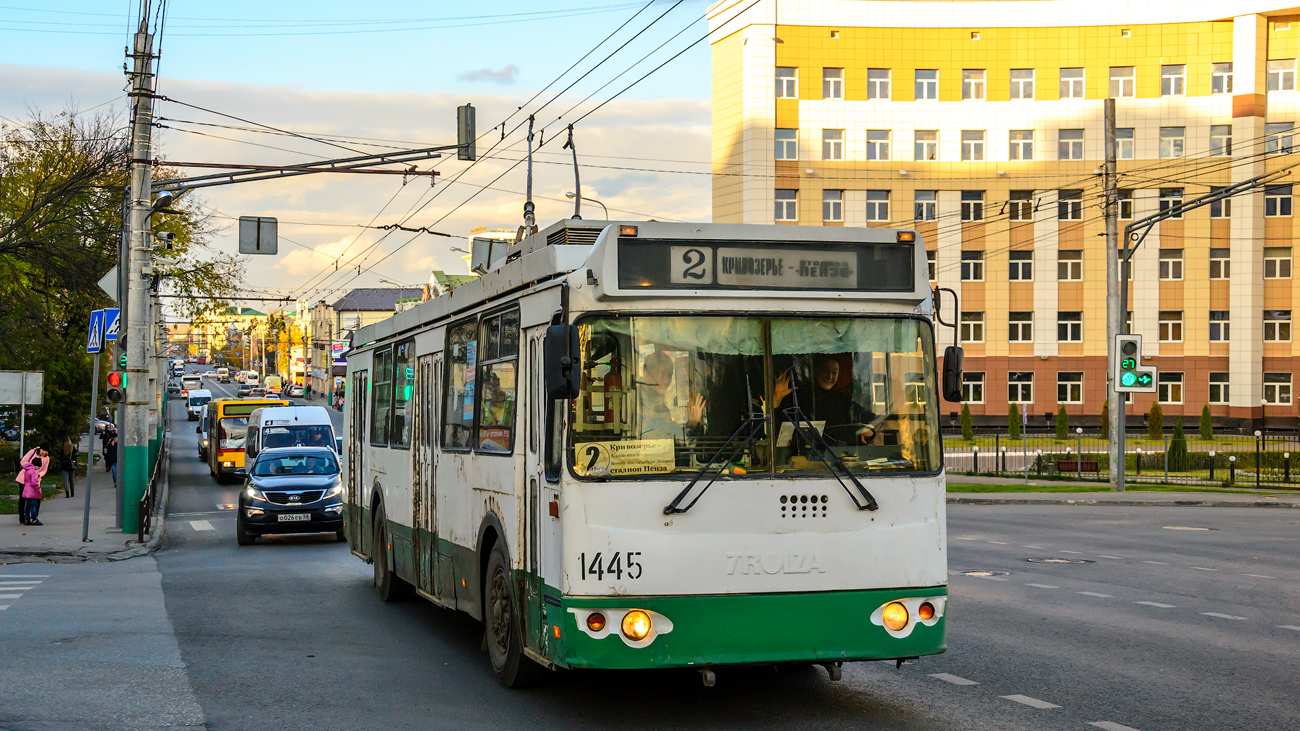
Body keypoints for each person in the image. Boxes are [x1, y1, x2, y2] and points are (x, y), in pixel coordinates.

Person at [776, 355, 878, 444]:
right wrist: (776, 398)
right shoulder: (799, 396)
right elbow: (779, 425)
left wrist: (868, 430)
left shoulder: (841, 400)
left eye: (834, 372)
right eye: (825, 371)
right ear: (816, 371)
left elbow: (871, 419)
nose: (830, 377)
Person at [638, 351, 705, 440]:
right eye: (661, 373)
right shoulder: (636, 402)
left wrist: (692, 423)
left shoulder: (661, 408)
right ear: (646, 373)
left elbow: (676, 438)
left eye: (669, 375)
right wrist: (692, 424)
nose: (666, 380)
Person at [19, 448, 49, 526]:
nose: (44, 452)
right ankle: (32, 518)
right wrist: (38, 490)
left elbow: (44, 470)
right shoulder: (33, 452)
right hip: (31, 485)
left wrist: (39, 474)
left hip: (29, 484)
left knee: (29, 503)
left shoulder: (46, 458)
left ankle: (27, 518)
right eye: (43, 450)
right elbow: (23, 461)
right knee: (31, 502)